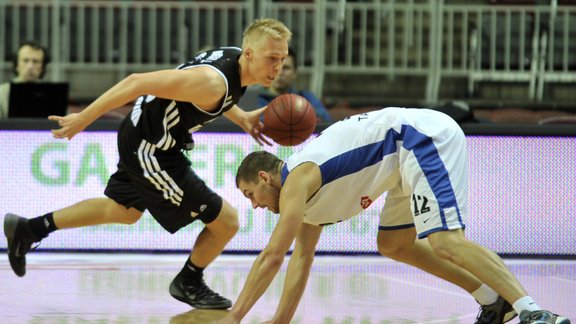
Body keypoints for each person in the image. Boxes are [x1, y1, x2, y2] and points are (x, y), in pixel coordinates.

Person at [3, 18, 292, 310]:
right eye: (272, 58)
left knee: (124, 211)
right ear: (250, 54)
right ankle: (188, 282)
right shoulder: (212, 82)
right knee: (226, 222)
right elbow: (136, 82)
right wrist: (83, 119)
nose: (278, 67)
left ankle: (30, 228)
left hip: (142, 134)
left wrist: (241, 118)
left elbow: (213, 98)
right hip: (150, 148)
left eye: (282, 59)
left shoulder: (232, 60)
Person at [228, 108, 571, 323]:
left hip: (419, 138)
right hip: (397, 166)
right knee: (393, 243)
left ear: (264, 177)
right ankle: (492, 300)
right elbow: (300, 260)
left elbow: (273, 256)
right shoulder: (303, 202)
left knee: (446, 241)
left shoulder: (296, 179)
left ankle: (532, 311)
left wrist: (235, 317)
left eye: (250, 195)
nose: (255, 205)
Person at [254, 47, 332, 122]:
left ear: (295, 73)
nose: (280, 73)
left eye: (286, 68)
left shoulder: (307, 98)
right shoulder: (253, 98)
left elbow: (326, 122)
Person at [0, 40, 50, 119]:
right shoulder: (2, 92)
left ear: (42, 67)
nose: (30, 66)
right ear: (17, 64)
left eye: (35, 61)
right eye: (25, 60)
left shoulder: (51, 93)